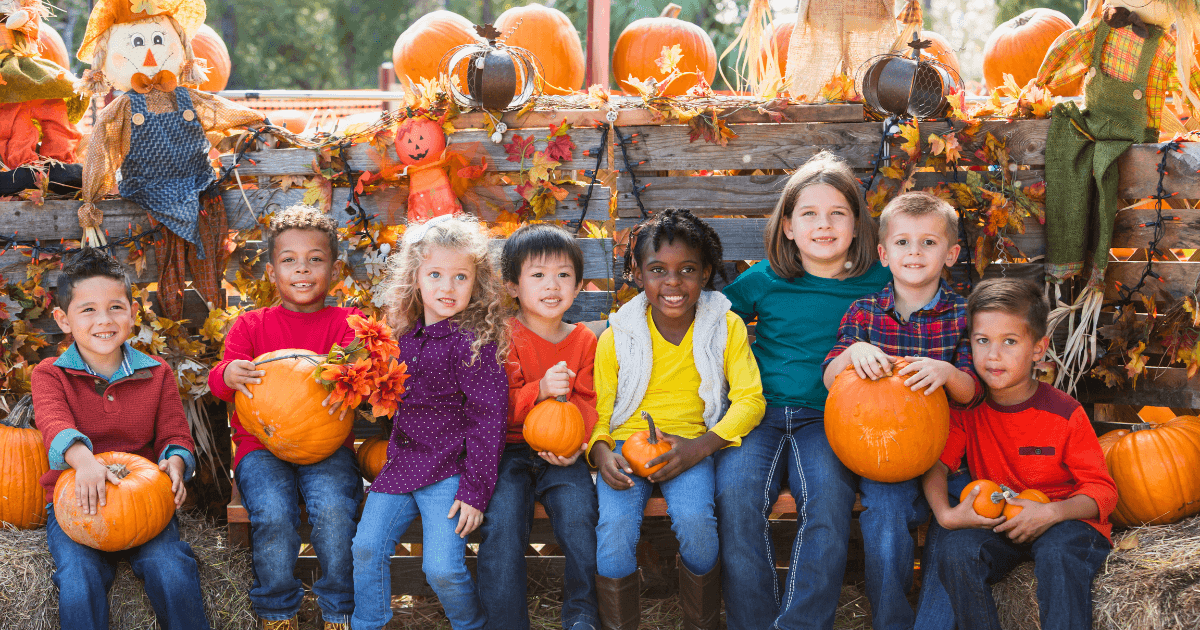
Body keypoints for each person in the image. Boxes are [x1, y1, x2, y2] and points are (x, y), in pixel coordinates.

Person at [718, 151, 891, 630]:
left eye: (838, 213)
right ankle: (753, 622)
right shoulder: (765, 279)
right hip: (760, 414)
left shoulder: (879, 283)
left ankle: (801, 623)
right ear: (788, 227)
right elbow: (713, 323)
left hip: (832, 418)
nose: (824, 225)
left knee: (829, 506)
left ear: (857, 226)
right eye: (809, 214)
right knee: (735, 497)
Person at [588, 208, 765, 630]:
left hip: (689, 449)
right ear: (637, 273)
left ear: (705, 273)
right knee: (612, 540)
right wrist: (600, 452)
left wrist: (700, 448)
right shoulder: (618, 336)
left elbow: (750, 400)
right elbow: (599, 411)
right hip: (626, 451)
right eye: (657, 270)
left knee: (700, 530)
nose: (672, 282)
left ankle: (702, 623)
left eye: (687, 269)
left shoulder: (725, 327)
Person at [819, 191, 983, 630]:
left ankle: (932, 621)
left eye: (929, 243)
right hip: (882, 452)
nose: (915, 252)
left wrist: (947, 371)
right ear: (883, 253)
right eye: (903, 243)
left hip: (949, 453)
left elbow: (971, 393)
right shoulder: (864, 314)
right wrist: (855, 353)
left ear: (950, 254)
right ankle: (890, 619)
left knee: (959, 526)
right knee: (886, 523)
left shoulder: (964, 315)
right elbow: (831, 378)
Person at [921, 278, 1117, 630]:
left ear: (1038, 349)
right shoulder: (968, 411)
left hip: (1066, 520)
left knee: (1057, 553)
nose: (993, 355)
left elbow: (1103, 491)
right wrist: (946, 515)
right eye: (983, 341)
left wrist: (1050, 513)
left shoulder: (1064, 413)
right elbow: (936, 464)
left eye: (1009, 342)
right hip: (1004, 524)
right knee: (956, 551)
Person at [32, 248, 207, 630]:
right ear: (63, 319)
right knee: (78, 580)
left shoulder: (156, 372)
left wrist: (175, 463)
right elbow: (53, 423)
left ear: (132, 311)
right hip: (76, 501)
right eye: (88, 310)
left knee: (172, 570)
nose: (104, 320)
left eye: (115, 307)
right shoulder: (50, 374)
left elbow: (175, 434)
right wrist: (85, 462)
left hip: (144, 499)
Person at [208, 205, 364, 630]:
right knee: (274, 514)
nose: (303, 269)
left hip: (327, 447)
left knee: (333, 510)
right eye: (289, 260)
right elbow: (220, 384)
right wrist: (228, 373)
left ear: (333, 269)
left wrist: (356, 376)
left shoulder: (350, 326)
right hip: (261, 447)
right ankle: (277, 611)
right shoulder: (251, 326)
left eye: (315, 259)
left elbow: (365, 377)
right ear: (273, 273)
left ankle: (339, 610)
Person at [351, 214, 509, 630]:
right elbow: (384, 397)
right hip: (400, 466)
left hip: (449, 473)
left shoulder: (475, 345)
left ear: (477, 283)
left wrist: (475, 492)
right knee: (366, 547)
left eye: (460, 277)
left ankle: (471, 624)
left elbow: (488, 422)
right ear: (415, 278)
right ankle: (369, 623)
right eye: (436, 274)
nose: (447, 287)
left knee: (441, 567)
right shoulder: (400, 338)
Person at [478, 224, 600, 630]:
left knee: (582, 516)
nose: (552, 285)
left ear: (579, 285)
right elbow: (493, 406)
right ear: (513, 286)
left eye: (563, 275)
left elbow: (589, 400)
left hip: (563, 455)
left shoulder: (584, 341)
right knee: (503, 523)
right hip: (509, 451)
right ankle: (505, 622)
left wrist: (576, 444)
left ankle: (582, 613)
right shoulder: (504, 336)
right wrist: (541, 390)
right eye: (538, 275)